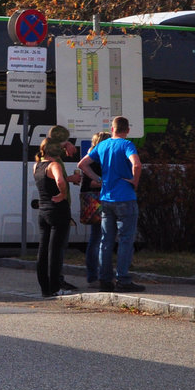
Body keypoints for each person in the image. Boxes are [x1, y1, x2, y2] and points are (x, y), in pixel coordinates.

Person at [78, 115, 145, 293]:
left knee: (105, 241)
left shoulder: (102, 145)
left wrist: (99, 179)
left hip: (106, 198)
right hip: (125, 197)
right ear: (127, 130)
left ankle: (104, 280)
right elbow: (136, 165)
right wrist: (134, 181)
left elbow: (82, 164)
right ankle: (123, 279)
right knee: (125, 240)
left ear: (112, 129)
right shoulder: (127, 145)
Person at [34, 125, 75, 297]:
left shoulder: (37, 166)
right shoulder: (54, 164)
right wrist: (62, 193)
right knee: (55, 251)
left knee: (43, 250)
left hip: (43, 210)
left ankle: (45, 288)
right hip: (58, 210)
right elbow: (59, 181)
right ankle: (55, 288)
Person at [79, 131, 110, 287]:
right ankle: (94, 276)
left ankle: (95, 275)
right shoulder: (97, 158)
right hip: (97, 200)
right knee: (98, 238)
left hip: (91, 200)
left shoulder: (90, 155)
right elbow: (92, 183)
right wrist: (108, 182)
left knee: (96, 238)